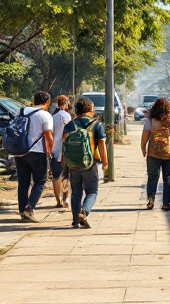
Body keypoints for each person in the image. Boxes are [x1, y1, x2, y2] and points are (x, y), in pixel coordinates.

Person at [62, 96, 108, 229]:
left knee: (76, 191)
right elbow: (102, 145)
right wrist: (105, 162)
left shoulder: (69, 125)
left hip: (73, 164)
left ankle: (75, 220)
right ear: (90, 110)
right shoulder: (97, 124)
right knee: (92, 191)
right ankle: (84, 211)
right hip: (91, 163)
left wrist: (64, 165)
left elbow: (64, 146)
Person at [15, 90, 55, 223]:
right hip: (37, 152)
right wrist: (50, 151)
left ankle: (22, 210)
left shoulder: (21, 111)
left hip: (20, 151)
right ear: (47, 102)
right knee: (40, 181)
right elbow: (48, 136)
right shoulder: (45, 115)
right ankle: (29, 208)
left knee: (23, 183)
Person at [142, 97, 170, 211]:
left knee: (152, 177)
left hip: (153, 153)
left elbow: (145, 136)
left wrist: (143, 148)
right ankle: (166, 203)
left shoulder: (150, 120)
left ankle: (151, 199)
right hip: (168, 152)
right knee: (168, 177)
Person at [49, 94, 72, 208]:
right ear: (66, 104)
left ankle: (58, 200)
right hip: (66, 150)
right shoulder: (67, 116)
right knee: (67, 175)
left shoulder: (53, 117)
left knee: (56, 176)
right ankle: (66, 198)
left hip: (54, 150)